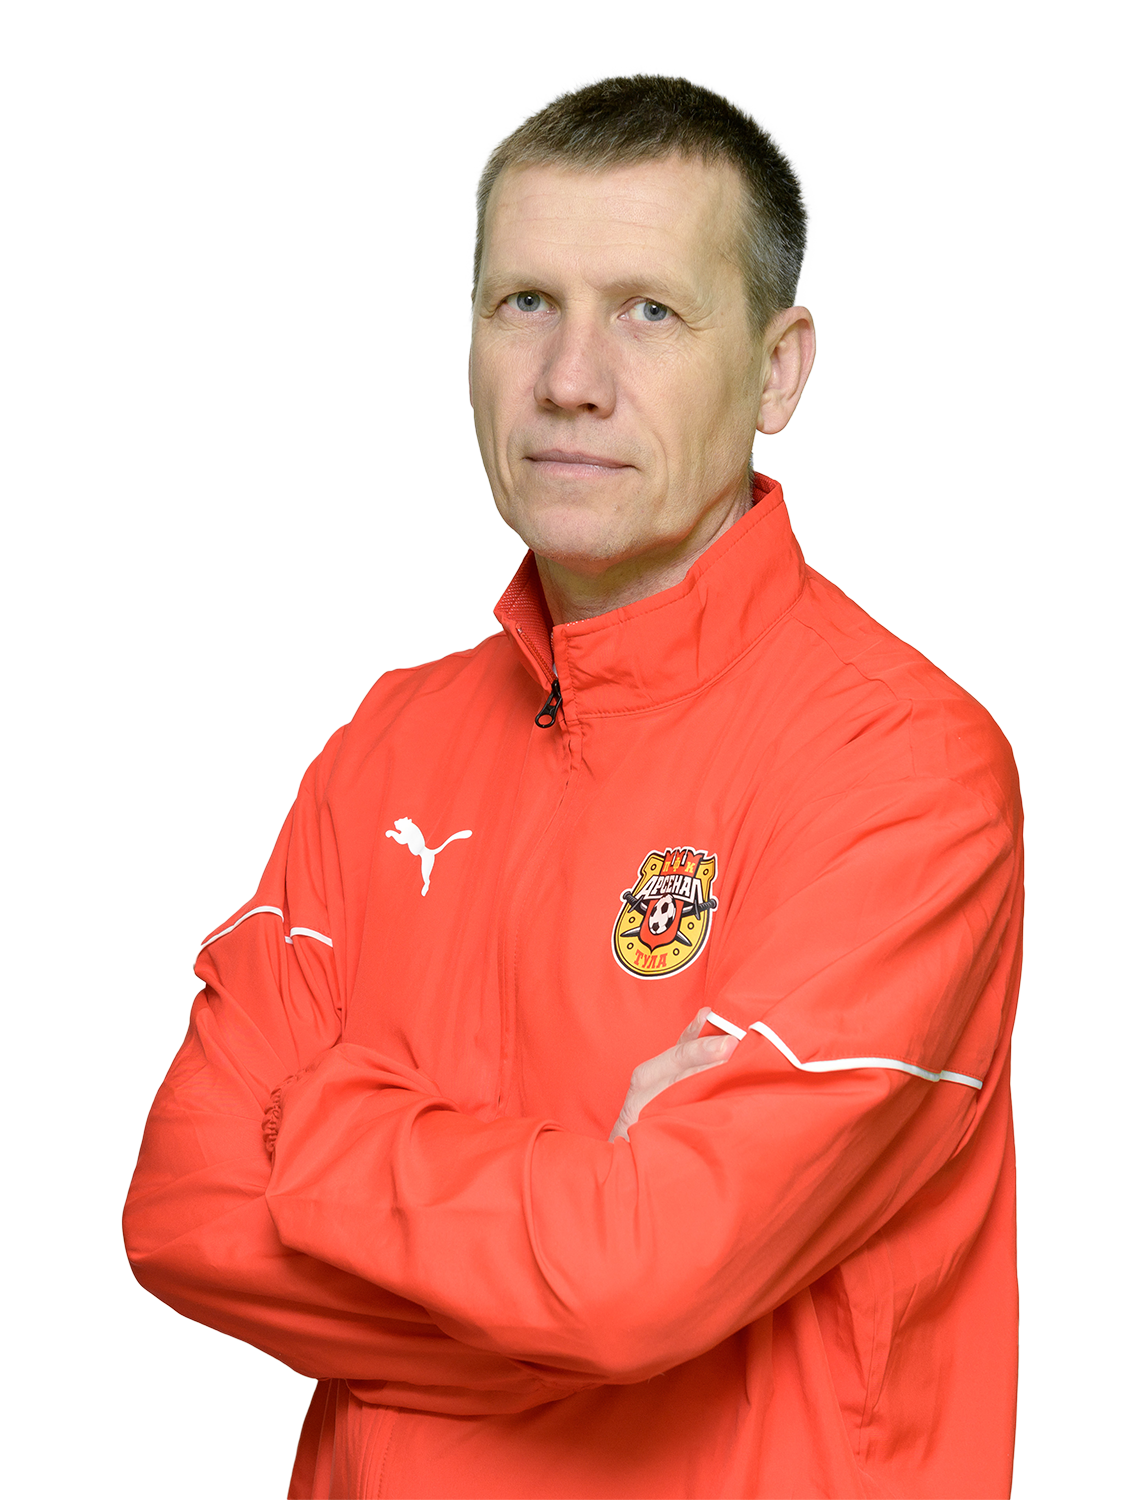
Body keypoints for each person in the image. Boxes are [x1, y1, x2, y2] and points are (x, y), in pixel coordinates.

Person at [124, 72, 1022, 1499]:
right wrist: (597, 1301)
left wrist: (316, 1123)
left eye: (649, 310)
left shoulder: (905, 768)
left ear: (778, 370)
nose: (569, 377)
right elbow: (182, 1206)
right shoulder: (386, 744)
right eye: (524, 302)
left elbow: (637, 1277)